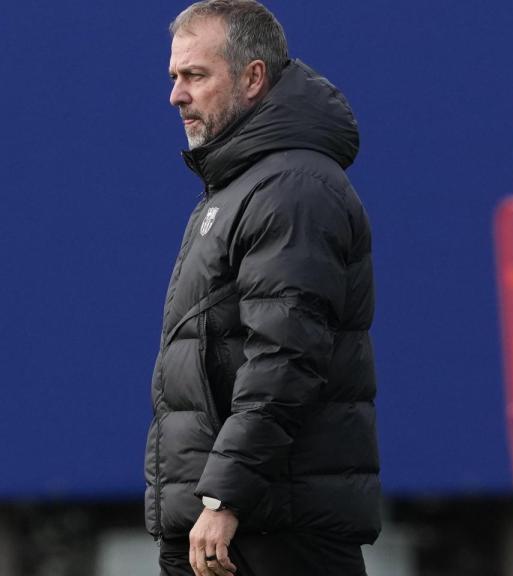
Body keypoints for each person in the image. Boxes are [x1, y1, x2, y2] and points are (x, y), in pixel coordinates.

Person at [143, 1, 382, 575]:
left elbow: (285, 358)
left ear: (253, 78)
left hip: (268, 530)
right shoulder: (240, 184)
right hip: (230, 525)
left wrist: (226, 497)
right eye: (175, 77)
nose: (177, 94)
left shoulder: (292, 187)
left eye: (196, 75)